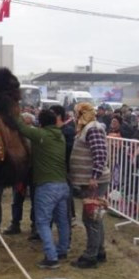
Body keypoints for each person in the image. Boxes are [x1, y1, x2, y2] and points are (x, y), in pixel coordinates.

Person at [16, 109, 70, 269]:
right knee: (62, 221)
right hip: (63, 184)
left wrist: (14, 110)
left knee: (43, 222)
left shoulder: (40, 135)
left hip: (46, 186)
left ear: (41, 122)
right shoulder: (60, 136)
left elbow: (21, 127)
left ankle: (51, 258)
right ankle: (62, 250)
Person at [69, 103, 111, 268]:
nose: (75, 116)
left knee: (90, 219)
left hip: (93, 181)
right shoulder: (88, 128)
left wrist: (94, 176)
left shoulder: (92, 128)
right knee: (95, 217)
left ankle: (91, 255)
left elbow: (100, 154)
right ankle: (99, 251)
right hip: (91, 180)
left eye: (77, 113)